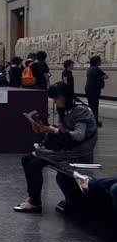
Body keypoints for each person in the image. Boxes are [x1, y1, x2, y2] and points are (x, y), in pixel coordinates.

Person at [14, 83, 97, 213]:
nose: (55, 102)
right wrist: (44, 128)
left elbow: (79, 135)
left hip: (78, 151)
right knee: (27, 159)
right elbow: (63, 129)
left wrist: (53, 130)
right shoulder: (67, 109)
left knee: (34, 163)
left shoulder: (80, 110)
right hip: (67, 148)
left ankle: (35, 202)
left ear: (64, 96)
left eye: (56, 99)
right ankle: (32, 198)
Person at [85, 56, 107, 128]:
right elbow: (105, 76)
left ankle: (92, 121)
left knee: (91, 105)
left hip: (88, 88)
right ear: (97, 62)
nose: (101, 62)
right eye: (100, 61)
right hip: (94, 89)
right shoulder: (96, 69)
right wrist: (100, 77)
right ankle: (94, 122)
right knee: (94, 105)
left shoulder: (89, 68)